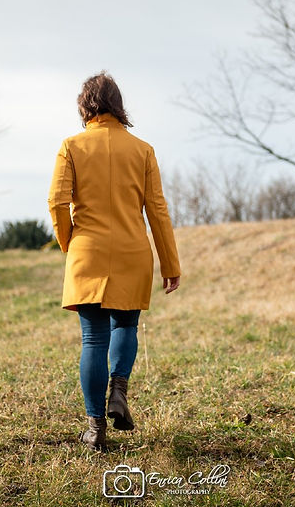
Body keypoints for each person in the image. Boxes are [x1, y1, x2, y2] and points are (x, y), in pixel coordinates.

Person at [47, 71, 182, 451]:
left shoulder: (71, 146)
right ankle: (118, 391)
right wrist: (170, 264)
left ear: (84, 107)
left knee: (93, 338)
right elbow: (157, 210)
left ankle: (94, 428)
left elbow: (56, 202)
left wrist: (69, 243)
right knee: (126, 324)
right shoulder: (143, 150)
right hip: (131, 252)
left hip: (87, 250)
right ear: (119, 105)